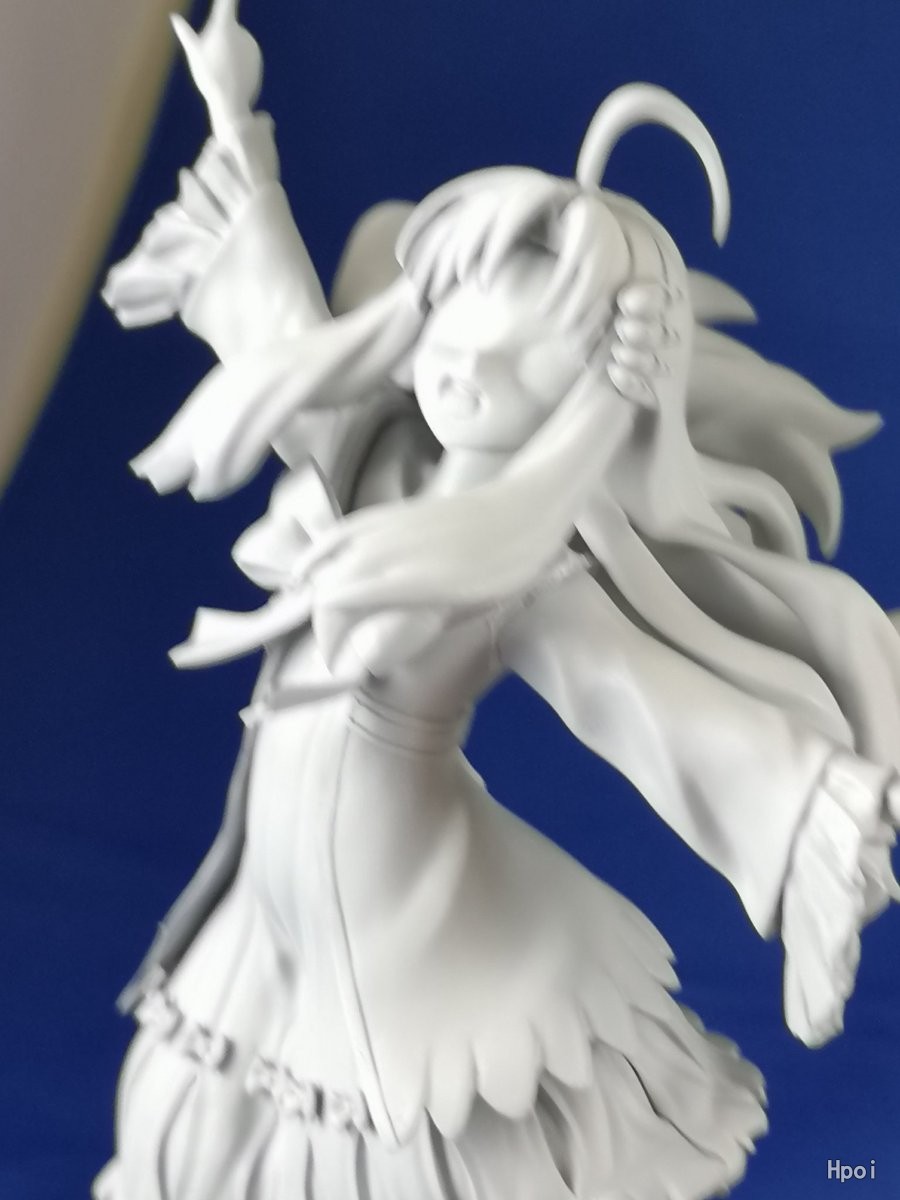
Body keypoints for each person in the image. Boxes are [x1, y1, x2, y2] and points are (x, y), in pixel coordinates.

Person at [95, 3, 900, 1197]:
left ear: (588, 389)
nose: (464, 369)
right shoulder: (374, 456)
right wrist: (231, 116)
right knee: (211, 1113)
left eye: (526, 356)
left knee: (412, 1139)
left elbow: (648, 707)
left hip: (399, 915)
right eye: (454, 328)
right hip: (269, 901)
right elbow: (284, 329)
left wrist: (813, 819)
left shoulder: (526, 570)